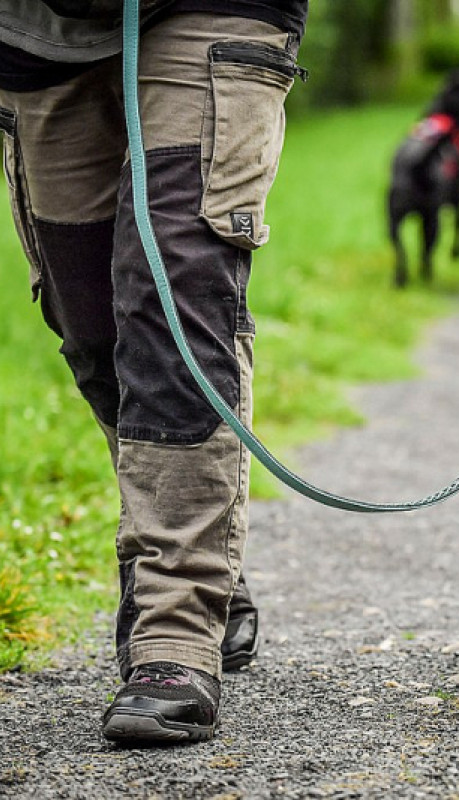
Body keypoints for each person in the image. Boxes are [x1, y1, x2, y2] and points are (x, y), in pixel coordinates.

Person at [0, 0, 307, 744]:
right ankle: (205, 563)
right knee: (91, 324)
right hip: (41, 31)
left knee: (174, 294)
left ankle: (172, 625)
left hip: (213, 13)